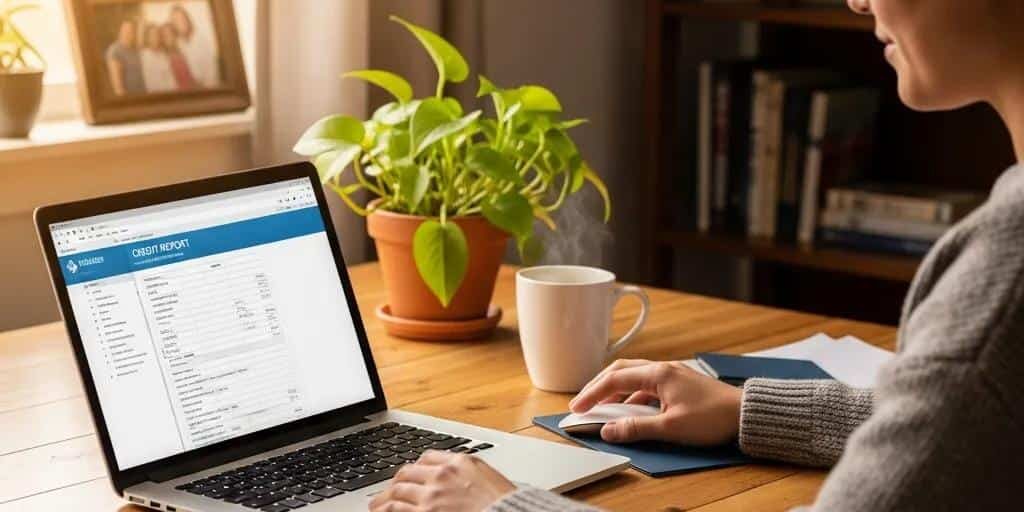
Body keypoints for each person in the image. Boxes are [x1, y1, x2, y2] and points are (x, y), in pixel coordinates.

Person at [370, 0, 1024, 510]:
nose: (856, 1)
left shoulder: (1005, 266)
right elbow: (980, 424)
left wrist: (501, 507)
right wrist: (745, 411)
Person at [170, 4, 221, 88]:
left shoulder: (201, 40)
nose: (179, 23)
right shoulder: (179, 43)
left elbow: (211, 73)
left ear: (187, 19)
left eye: (181, 19)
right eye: (175, 21)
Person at [105, 19, 145, 96]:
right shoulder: (114, 51)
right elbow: (118, 86)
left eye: (131, 31)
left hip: (143, 95)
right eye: (125, 31)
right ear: (120, 32)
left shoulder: (135, 49)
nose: (127, 34)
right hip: (130, 97)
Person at [139, 23, 176, 93]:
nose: (155, 37)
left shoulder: (164, 54)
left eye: (157, 34)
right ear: (147, 38)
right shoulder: (144, 55)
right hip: (157, 95)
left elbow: (170, 77)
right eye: (152, 35)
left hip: (173, 93)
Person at [159, 23, 196, 91]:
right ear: (162, 38)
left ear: (174, 35)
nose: (168, 37)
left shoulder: (183, 50)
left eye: (170, 34)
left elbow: (193, 74)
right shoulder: (162, 57)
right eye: (165, 35)